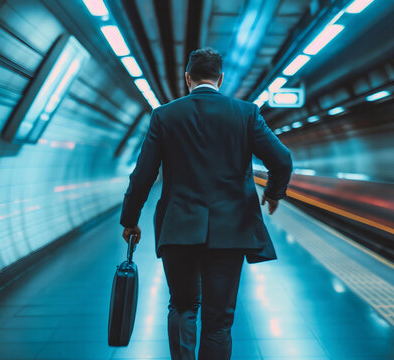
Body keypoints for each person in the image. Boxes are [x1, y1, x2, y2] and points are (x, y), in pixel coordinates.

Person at [120, 48, 292, 360]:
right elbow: (282, 160)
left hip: (179, 228)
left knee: (183, 306)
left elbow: (143, 175)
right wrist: (274, 193)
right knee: (219, 320)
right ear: (220, 79)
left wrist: (130, 220)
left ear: (187, 78)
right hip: (232, 230)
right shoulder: (246, 113)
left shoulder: (165, 115)